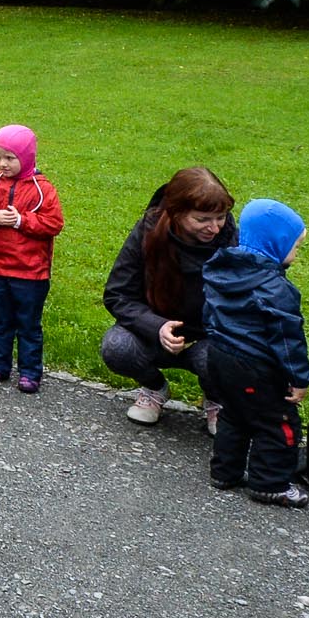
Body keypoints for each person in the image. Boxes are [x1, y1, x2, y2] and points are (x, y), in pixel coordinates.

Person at [101, 166, 238, 432]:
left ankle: (216, 400)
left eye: (220, 217)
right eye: (202, 219)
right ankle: (155, 389)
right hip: (155, 334)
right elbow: (117, 293)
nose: (214, 227)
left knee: (225, 355)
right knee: (117, 346)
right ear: (176, 213)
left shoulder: (232, 241)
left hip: (209, 336)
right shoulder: (149, 230)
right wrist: (156, 326)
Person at [204, 199, 309, 508]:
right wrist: (298, 378)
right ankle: (270, 483)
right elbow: (287, 338)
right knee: (278, 422)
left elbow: (208, 312)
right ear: (277, 243)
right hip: (254, 366)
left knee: (235, 415)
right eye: (295, 245)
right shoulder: (277, 290)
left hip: (220, 357)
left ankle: (224, 472)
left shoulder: (221, 268)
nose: (296, 253)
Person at [0, 124, 65, 392]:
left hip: (31, 273)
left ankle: (30, 371)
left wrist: (23, 220)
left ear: (27, 156)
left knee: (28, 324)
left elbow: (53, 223)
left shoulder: (42, 189)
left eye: (10, 158)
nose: (2, 163)